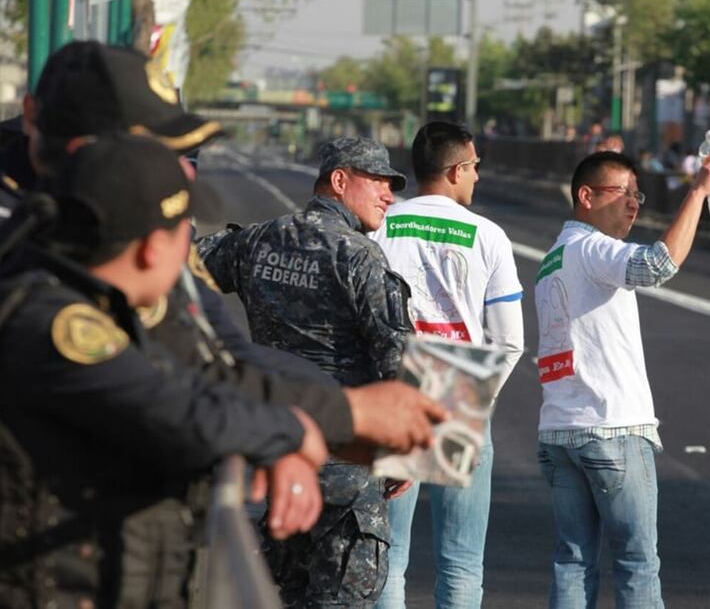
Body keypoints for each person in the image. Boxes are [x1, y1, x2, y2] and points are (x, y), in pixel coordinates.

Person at [6, 40, 448, 605]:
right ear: (149, 249)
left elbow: (223, 359)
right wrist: (345, 414)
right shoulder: (43, 301)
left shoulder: (217, 249)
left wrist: (304, 428)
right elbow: (175, 405)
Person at [0, 133, 332, 608]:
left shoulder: (88, 303)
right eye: (184, 234)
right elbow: (177, 410)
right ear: (155, 248)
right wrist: (289, 429)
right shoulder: (56, 321)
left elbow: (196, 382)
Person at [197, 136, 413, 607]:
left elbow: (185, 273)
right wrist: (403, 453)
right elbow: (399, 357)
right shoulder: (358, 256)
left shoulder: (257, 240)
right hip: (347, 472)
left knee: (285, 595)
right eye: (377, 180)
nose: (388, 195)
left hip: (277, 457)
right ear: (339, 181)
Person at [534, 148, 710, 608]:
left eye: (636, 194)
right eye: (621, 192)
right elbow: (657, 265)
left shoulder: (553, 257)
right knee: (637, 563)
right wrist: (699, 192)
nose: (633, 203)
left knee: (572, 560)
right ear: (586, 196)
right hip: (612, 429)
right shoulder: (593, 247)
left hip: (559, 430)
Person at [371, 122, 524, 609]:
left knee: (388, 558)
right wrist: (473, 397)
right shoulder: (489, 236)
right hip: (462, 391)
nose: (477, 176)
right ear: (457, 170)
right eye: (475, 166)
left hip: (394, 392)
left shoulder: (381, 222)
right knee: (460, 561)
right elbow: (510, 341)